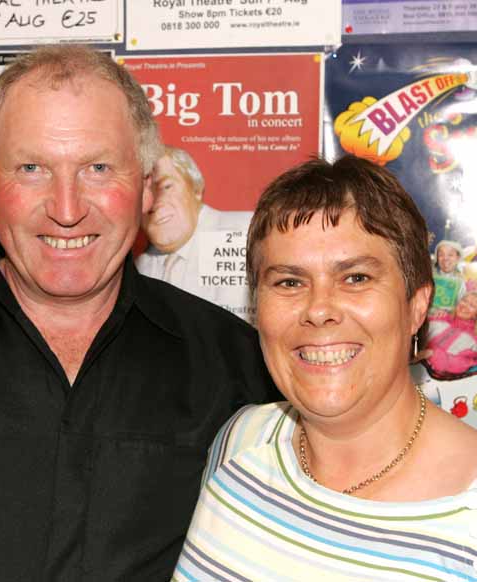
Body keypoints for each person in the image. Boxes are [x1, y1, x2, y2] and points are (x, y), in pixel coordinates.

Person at [0, 45, 277, 581]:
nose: (67, 210)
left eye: (98, 167)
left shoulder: (240, 369)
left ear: (145, 187)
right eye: (32, 168)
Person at [173, 156, 477, 581]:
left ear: (416, 306)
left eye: (355, 278)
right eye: (289, 282)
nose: (318, 310)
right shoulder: (241, 439)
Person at [136, 146, 254, 322]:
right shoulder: (141, 265)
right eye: (143, 193)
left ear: (196, 189)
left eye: (166, 187)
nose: (154, 202)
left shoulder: (243, 234)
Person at [426, 291, 477, 377]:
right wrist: (432, 314)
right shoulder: (440, 318)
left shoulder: (473, 341)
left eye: (472, 306)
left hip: (433, 383)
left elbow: (458, 365)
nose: (464, 306)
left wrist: (431, 354)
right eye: (464, 300)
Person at [431, 239, 465, 313]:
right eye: (441, 255)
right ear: (437, 258)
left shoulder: (460, 282)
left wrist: (448, 312)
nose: (445, 258)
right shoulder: (430, 278)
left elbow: (462, 306)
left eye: (450, 255)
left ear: (458, 258)